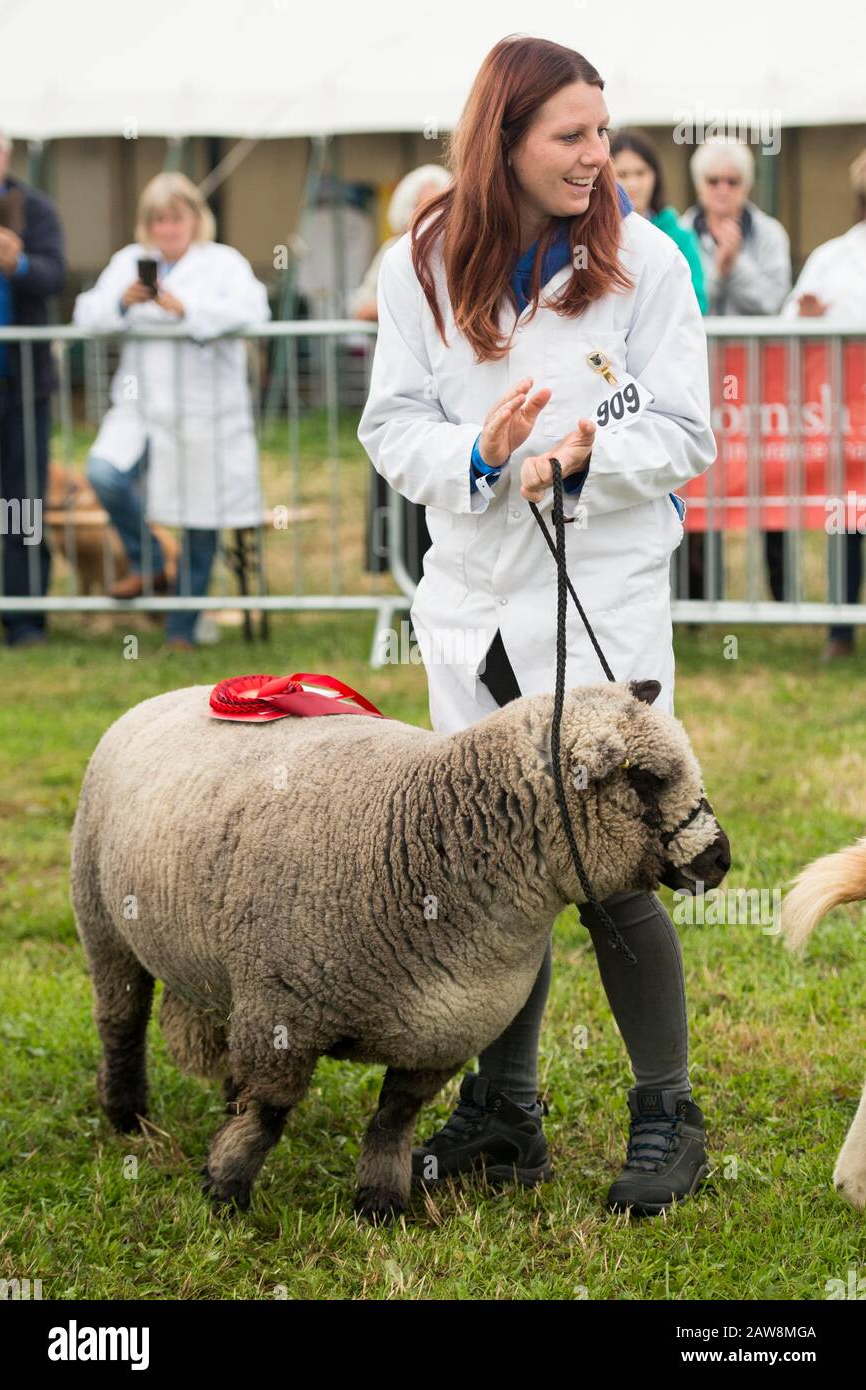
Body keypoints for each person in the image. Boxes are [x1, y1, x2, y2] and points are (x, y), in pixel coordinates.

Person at [358, 36, 717, 1216]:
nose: (594, 154)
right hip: (473, 605)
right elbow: (390, 422)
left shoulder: (648, 262)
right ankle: (504, 1112)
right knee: (499, 868)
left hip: (597, 597)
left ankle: (666, 1112)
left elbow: (684, 431)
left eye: (600, 132)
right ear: (502, 137)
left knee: (612, 861)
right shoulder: (418, 261)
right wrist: (477, 453)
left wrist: (583, 454)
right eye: (569, 134)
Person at [72, 172, 269, 649]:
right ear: (147, 225)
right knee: (104, 472)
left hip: (206, 413)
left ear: (195, 219)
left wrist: (187, 311)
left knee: (201, 519)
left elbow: (255, 312)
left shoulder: (223, 264)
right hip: (141, 407)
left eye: (176, 218)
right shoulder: (129, 263)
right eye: (158, 220)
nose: (167, 228)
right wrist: (122, 302)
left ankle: (181, 630)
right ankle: (150, 561)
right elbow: (86, 314)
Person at [681, 137, 793, 604]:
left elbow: (774, 300)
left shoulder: (770, 234)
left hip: (756, 388)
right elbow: (682, 301)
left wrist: (734, 266)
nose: (723, 190)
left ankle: (781, 597)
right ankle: (699, 600)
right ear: (699, 185)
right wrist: (717, 274)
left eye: (733, 181)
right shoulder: (681, 232)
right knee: (699, 485)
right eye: (713, 181)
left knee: (771, 485)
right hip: (699, 382)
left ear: (747, 186)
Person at [780, 148, 866, 660]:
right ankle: (840, 630)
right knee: (849, 517)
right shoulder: (834, 257)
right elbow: (784, 322)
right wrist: (805, 317)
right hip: (847, 420)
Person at [352, 165, 452, 584]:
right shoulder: (395, 253)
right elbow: (360, 305)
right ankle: (409, 580)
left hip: (449, 394)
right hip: (404, 388)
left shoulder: (458, 246)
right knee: (404, 483)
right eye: (420, 202)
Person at [0, 127, 65, 648]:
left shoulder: (35, 210)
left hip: (22, 385)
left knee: (22, 503)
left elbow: (54, 276)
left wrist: (17, 264)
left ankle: (25, 619)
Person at [610, 129, 706, 312]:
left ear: (656, 176)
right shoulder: (594, 235)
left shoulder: (680, 237)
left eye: (640, 173)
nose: (633, 184)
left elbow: (696, 301)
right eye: (622, 174)